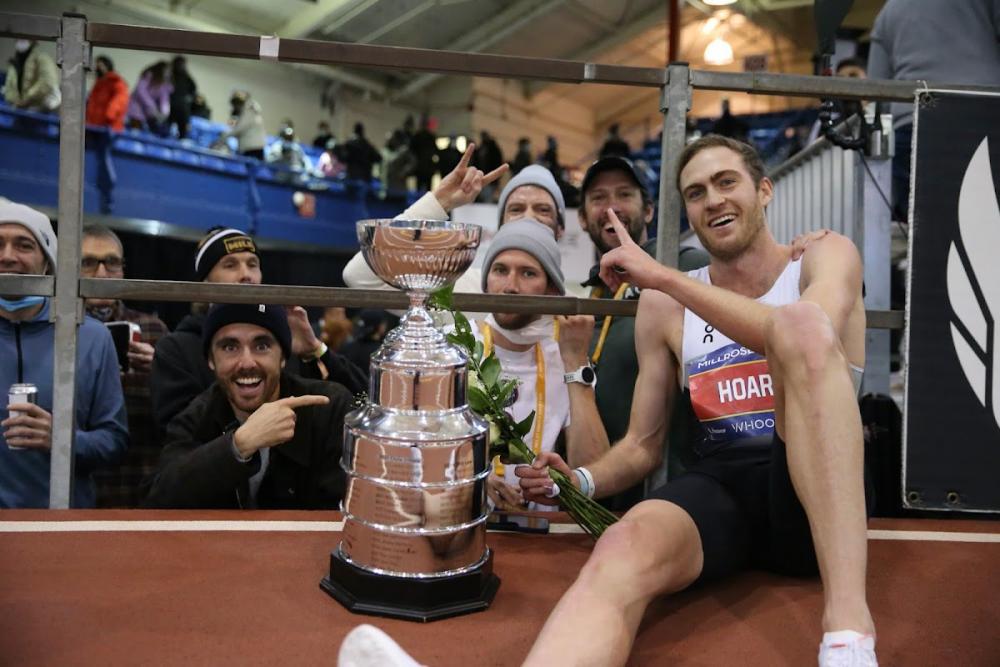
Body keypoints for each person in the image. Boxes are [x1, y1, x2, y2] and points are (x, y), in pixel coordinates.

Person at [516, 134, 876, 666]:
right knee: (621, 544)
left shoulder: (824, 256)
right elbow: (643, 444)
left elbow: (801, 332)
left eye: (727, 182)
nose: (713, 200)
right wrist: (581, 480)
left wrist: (663, 278)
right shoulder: (664, 305)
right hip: (722, 487)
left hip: (813, 483)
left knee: (801, 324)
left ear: (765, 190)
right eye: (696, 192)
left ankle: (848, 633)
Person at [577, 155, 709, 508]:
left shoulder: (685, 267)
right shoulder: (591, 296)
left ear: (649, 211)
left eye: (624, 194)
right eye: (598, 198)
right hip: (607, 492)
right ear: (582, 217)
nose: (611, 208)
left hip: (671, 494)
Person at [150, 227, 367, 439]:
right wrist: (245, 440)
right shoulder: (177, 349)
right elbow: (178, 436)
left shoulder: (281, 340)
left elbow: (363, 405)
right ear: (205, 281)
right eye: (230, 265)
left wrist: (315, 349)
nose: (246, 275)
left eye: (252, 264)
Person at [143, 303, 352, 509]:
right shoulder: (198, 415)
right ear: (211, 360)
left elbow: (348, 507)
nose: (247, 363)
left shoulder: (326, 407)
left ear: (282, 358)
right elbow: (157, 499)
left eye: (261, 346)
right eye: (230, 347)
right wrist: (237, 446)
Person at [473, 219, 609, 511]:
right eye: (500, 270)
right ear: (486, 282)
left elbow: (595, 468)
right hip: (466, 522)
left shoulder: (564, 357)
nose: (510, 287)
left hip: (542, 526)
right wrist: (470, 481)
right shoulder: (456, 347)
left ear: (552, 291)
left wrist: (575, 361)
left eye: (528, 273)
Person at [0, 199, 127, 508]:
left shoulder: (91, 336)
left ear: (48, 262)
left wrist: (61, 439)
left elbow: (114, 442)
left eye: (24, 245)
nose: (8, 256)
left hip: (61, 523)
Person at [342, 144, 564, 292]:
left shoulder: (575, 309)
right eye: (516, 209)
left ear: (561, 229)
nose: (527, 218)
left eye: (543, 210)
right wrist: (438, 202)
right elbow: (361, 277)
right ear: (500, 226)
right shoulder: (465, 289)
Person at [867, 0, 1000, 222]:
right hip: (981, 115)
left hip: (912, 125)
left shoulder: (889, 11)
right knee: (986, 222)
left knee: (923, 229)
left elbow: (875, 90)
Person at [80, 225, 170, 508]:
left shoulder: (153, 330)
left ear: (123, 270)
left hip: (141, 484)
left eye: (112, 262)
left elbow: (180, 419)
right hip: (78, 486)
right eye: (88, 262)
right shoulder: (56, 331)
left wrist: (162, 374)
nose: (102, 273)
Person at [3, 40, 60, 113]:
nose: (20, 40)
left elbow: (47, 82)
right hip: (17, 108)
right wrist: (14, 100)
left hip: (38, 109)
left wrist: (27, 97)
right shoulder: (15, 62)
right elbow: (9, 87)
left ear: (33, 42)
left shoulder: (42, 59)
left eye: (24, 38)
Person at [214, 91, 266, 160]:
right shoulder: (250, 112)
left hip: (252, 148)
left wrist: (224, 136)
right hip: (253, 147)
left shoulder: (249, 112)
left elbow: (239, 129)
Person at [126, 61, 171, 137]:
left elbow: (164, 99)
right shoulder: (148, 75)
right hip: (136, 108)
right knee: (134, 132)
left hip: (148, 113)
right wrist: (151, 105)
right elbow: (141, 91)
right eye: (166, 70)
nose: (168, 73)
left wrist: (164, 113)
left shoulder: (164, 83)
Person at [85, 55, 129, 132]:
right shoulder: (100, 82)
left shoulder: (115, 81)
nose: (97, 69)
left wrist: (110, 115)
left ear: (107, 66)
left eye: (99, 66)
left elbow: (120, 100)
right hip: (94, 125)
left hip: (108, 127)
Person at [168, 56, 197, 140]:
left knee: (182, 132)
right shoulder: (170, 75)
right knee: (166, 129)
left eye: (183, 64)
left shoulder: (187, 78)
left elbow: (193, 90)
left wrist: (189, 99)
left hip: (182, 107)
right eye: (179, 64)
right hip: (169, 106)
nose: (181, 66)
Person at [410, 115, 438, 191]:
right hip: (427, 167)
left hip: (419, 167)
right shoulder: (430, 137)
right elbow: (435, 152)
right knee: (427, 190)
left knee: (419, 189)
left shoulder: (417, 136)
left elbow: (411, 151)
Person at [474, 131, 504, 202]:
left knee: (488, 197)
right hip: (482, 175)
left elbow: (498, 162)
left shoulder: (493, 149)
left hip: (491, 176)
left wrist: (497, 177)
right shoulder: (481, 148)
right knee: (484, 196)